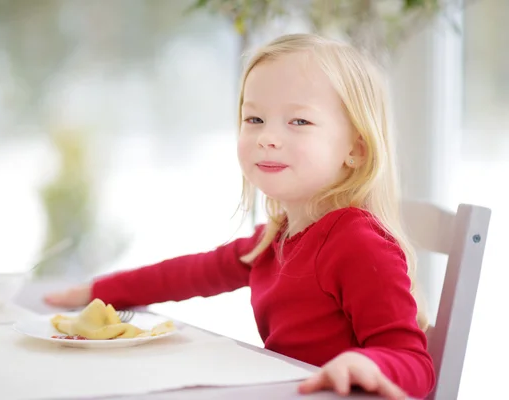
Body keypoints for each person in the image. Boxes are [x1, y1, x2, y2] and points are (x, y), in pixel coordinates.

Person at [44, 33, 435, 399]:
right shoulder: (276, 239)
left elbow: (415, 365)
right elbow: (190, 273)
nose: (267, 136)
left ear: (358, 150)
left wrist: (365, 362)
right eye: (255, 119)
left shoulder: (358, 243)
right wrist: (97, 291)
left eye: (299, 121)